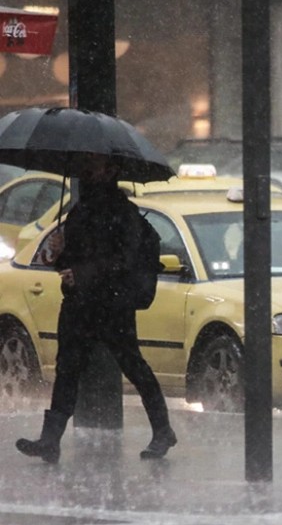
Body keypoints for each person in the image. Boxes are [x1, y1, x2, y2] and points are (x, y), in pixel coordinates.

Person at [16, 155, 176, 463]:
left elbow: (124, 262)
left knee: (133, 366)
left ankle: (163, 430)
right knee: (67, 369)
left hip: (112, 305)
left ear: (111, 171)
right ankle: (50, 440)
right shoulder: (79, 211)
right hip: (79, 305)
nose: (87, 169)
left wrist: (83, 273)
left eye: (95, 165)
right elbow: (70, 261)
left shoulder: (124, 214)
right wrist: (59, 254)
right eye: (86, 164)